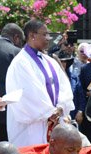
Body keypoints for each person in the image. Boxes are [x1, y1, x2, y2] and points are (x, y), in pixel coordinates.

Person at [6, 19, 74, 147]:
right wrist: (50, 112)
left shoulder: (50, 61)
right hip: (32, 128)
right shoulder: (21, 63)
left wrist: (61, 106)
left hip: (53, 122)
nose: (48, 38)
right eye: (44, 34)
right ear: (32, 35)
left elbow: (65, 87)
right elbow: (29, 94)